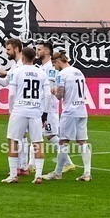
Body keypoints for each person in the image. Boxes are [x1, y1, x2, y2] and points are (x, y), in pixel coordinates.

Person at [45, 51, 92, 181]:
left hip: (70, 111)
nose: (55, 68)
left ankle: (58, 173)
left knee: (63, 142)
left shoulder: (62, 74)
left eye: (55, 65)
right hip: (82, 110)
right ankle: (87, 173)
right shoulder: (79, 72)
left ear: (58, 62)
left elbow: (59, 95)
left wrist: (53, 90)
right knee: (82, 142)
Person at [3, 46, 46, 184]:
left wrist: (12, 109)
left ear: (22, 58)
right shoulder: (41, 73)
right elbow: (48, 95)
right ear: (34, 58)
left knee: (13, 141)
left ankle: (13, 175)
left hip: (20, 109)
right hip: (35, 110)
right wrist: (44, 113)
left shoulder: (17, 71)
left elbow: (11, 94)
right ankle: (38, 175)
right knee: (37, 143)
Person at [37, 41, 76, 174]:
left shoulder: (51, 68)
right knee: (43, 135)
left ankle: (68, 163)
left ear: (47, 52)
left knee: (51, 134)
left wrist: (47, 109)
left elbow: (52, 89)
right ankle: (30, 164)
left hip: (50, 107)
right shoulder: (43, 67)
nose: (37, 51)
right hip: (43, 106)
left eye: (39, 49)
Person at [0, 38, 30, 176]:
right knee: (21, 136)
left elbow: (14, 77)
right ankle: (23, 166)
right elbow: (5, 83)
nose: (6, 52)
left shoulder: (21, 65)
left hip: (20, 105)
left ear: (16, 49)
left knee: (18, 137)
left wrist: (7, 74)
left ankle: (22, 166)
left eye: (9, 49)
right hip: (17, 106)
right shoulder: (16, 65)